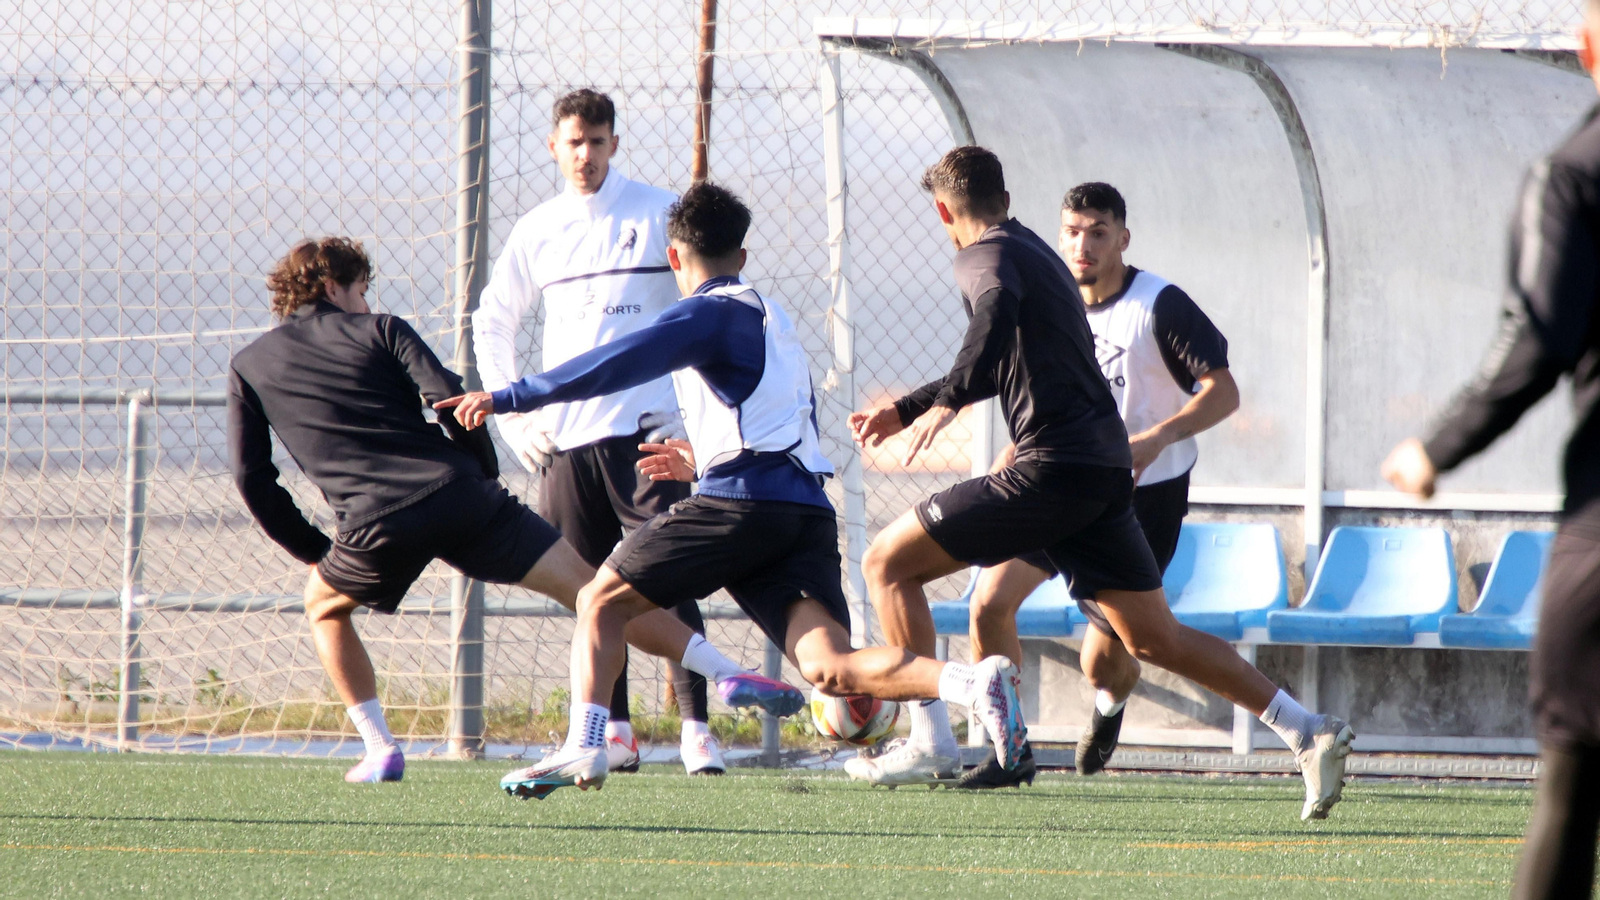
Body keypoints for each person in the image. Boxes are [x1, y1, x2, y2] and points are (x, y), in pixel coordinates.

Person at [438, 183, 1028, 800]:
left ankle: (587, 743)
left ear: (673, 259)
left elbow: (610, 364)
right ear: (741, 257)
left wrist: (507, 397)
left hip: (740, 507)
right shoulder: (776, 319)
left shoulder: (704, 313)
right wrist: (700, 461)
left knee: (600, 598)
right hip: (801, 511)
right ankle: (972, 684)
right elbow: (778, 423)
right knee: (832, 666)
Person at [848, 146, 1351, 820]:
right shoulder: (1037, 255)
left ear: (944, 211)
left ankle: (932, 740)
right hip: (1102, 473)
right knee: (1151, 638)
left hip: (1053, 469)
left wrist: (951, 397)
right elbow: (1009, 355)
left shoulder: (983, 257)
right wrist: (913, 404)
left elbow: (991, 315)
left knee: (887, 563)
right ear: (1012, 199)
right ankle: (1303, 727)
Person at [228, 237, 797, 785]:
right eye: (360, 291)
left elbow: (254, 479)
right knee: (594, 593)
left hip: (371, 523)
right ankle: (724, 671)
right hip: (460, 495)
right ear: (331, 286)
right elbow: (449, 398)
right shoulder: (382, 329)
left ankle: (380, 749)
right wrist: (481, 472)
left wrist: (315, 552)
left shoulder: (248, 364)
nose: (366, 304)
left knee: (323, 606)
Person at [1382, 3, 1600, 889]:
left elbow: (1541, 337)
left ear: (1587, 48)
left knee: (1578, 745)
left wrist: (1437, 446)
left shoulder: (1574, 173)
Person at [944, 181, 1240, 788]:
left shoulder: (1160, 304)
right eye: (1072, 232)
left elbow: (1224, 393)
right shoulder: (1047, 292)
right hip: (1054, 480)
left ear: (1123, 239)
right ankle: (1010, 750)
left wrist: (1157, 437)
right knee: (989, 605)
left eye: (1098, 232)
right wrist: (1016, 448)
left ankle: (1109, 707)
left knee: (1103, 662)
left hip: (1142, 494)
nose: (1083, 245)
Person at [472, 89, 722, 775]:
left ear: (616, 143)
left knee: (668, 578)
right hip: (565, 447)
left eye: (597, 140)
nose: (585, 154)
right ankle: (614, 731)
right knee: (589, 591)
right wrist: (514, 418)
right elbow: (492, 320)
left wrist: (688, 413)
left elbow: (708, 310)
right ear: (553, 146)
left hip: (645, 440)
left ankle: (698, 728)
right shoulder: (538, 230)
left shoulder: (657, 212)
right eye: (573, 142)